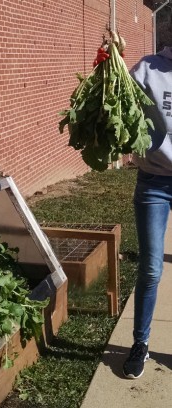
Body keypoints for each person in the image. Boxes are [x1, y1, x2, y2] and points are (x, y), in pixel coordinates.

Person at [121, 44, 172, 379]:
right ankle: (140, 343)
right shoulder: (147, 69)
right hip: (154, 182)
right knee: (152, 269)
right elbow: (122, 104)